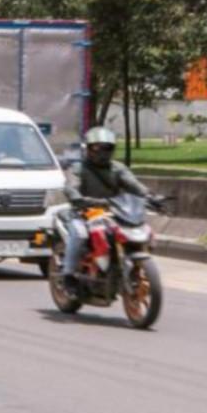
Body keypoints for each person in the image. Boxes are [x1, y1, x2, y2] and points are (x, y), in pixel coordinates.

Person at [60, 126, 150, 294]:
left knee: (138, 229)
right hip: (83, 212)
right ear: (88, 149)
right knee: (79, 234)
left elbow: (133, 184)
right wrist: (77, 198)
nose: (102, 152)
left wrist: (149, 195)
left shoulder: (118, 168)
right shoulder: (78, 168)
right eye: (97, 147)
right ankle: (68, 275)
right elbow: (71, 186)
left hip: (113, 211)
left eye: (107, 147)